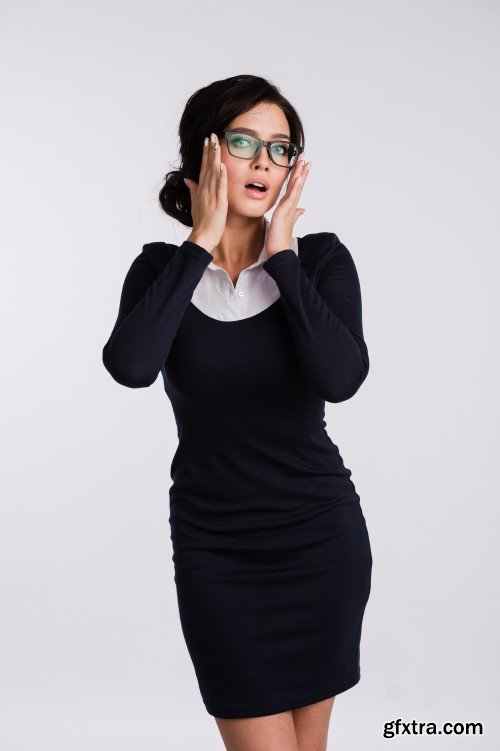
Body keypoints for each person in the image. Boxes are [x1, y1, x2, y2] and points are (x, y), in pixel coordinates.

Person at [102, 74, 373, 751]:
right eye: (245, 141)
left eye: (281, 149)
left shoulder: (321, 261)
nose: (263, 162)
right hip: (216, 551)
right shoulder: (161, 270)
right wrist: (201, 243)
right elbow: (131, 366)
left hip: (319, 542)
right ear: (206, 153)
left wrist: (281, 255)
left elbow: (341, 379)